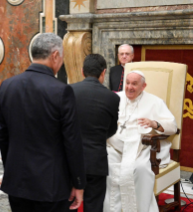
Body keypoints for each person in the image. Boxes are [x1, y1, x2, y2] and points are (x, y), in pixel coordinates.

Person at [0, 33, 86, 212]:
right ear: (55, 56)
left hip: (17, 182)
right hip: (51, 185)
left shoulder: (7, 85)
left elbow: (3, 136)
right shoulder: (62, 91)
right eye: (62, 57)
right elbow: (72, 142)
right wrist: (78, 182)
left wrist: (11, 169)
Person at [104, 70, 177, 212]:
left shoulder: (155, 102)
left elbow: (172, 126)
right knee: (107, 165)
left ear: (143, 86)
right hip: (115, 147)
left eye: (134, 84)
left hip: (140, 149)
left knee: (140, 169)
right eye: (128, 83)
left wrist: (153, 123)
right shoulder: (115, 98)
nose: (129, 87)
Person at [70, 54, 119, 212]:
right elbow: (112, 129)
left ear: (83, 71)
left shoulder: (68, 91)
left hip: (70, 160)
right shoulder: (112, 98)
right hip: (96, 161)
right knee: (94, 206)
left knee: (68, 204)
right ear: (103, 72)